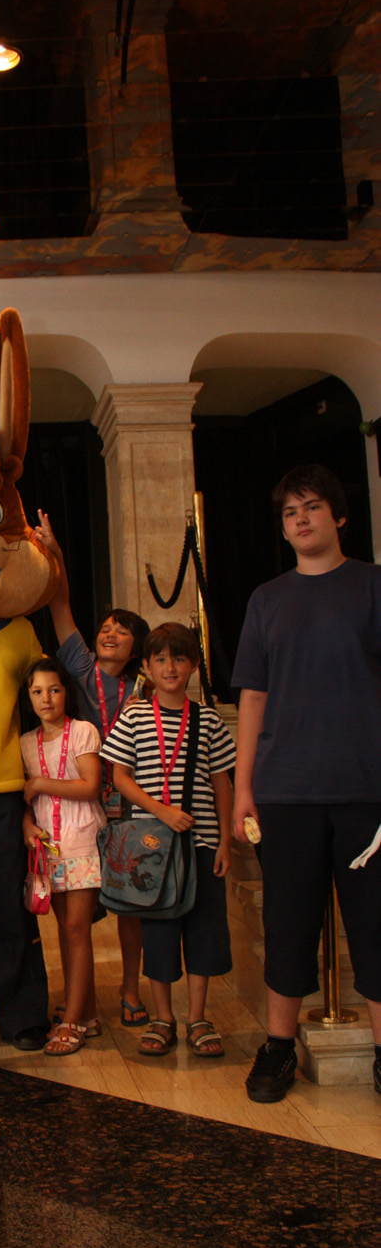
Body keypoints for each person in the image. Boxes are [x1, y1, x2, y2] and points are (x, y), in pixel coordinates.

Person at [232, 463, 381, 1102]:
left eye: (312, 506)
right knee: (288, 926)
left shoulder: (373, 586)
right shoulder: (267, 600)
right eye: (290, 512)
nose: (301, 519)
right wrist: (243, 788)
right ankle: (278, 1048)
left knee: (375, 927)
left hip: (366, 787)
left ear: (339, 515)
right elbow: (253, 698)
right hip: (285, 791)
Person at [34, 510, 151, 1029]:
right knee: (71, 914)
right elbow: (60, 606)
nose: (110, 634)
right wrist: (55, 554)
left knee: (130, 906)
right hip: (79, 804)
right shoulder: (80, 668)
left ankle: (130, 989)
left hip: (127, 805)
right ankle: (78, 999)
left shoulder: (144, 688)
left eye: (122, 631)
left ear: (136, 646)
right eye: (105, 628)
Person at [102, 622, 235, 1058]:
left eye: (179, 658)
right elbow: (120, 777)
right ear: (146, 665)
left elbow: (221, 782)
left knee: (203, 931)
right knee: (158, 932)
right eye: (160, 659)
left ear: (193, 664)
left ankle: (198, 1017)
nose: (170, 667)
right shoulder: (135, 716)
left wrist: (225, 841)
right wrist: (160, 810)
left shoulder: (208, 719)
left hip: (202, 843)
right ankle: (163, 1017)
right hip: (151, 848)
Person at [20, 657, 104, 1055]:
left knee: (76, 929)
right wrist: (27, 826)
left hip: (81, 839)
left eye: (54, 689)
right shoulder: (25, 742)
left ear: (66, 692)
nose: (46, 698)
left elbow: (90, 786)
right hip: (47, 848)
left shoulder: (83, 731)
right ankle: (86, 1010)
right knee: (64, 931)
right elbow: (23, 798)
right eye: (37, 691)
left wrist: (41, 783)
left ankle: (71, 1021)